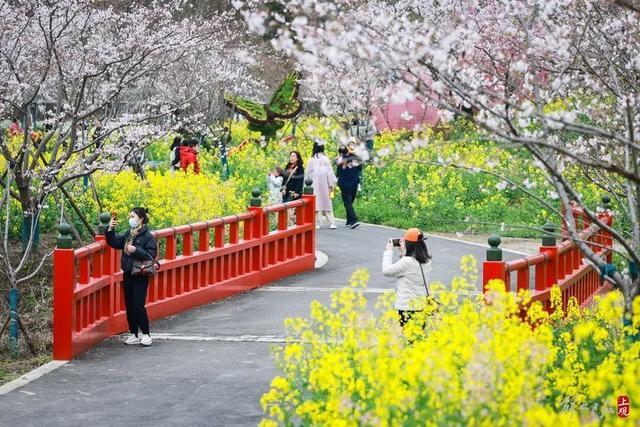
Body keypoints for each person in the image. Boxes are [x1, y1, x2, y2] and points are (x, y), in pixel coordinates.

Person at [106, 208, 158, 346]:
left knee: (138, 304)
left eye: (133, 216)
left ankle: (146, 334)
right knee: (129, 305)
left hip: (140, 274)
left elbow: (150, 255)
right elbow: (115, 243)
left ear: (141, 219)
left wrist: (136, 250)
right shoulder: (128, 234)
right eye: (130, 216)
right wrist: (110, 229)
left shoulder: (147, 237)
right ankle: (133, 333)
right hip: (128, 273)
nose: (130, 218)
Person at [382, 228, 433, 329]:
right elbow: (408, 270)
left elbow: (386, 271)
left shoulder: (407, 262)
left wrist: (388, 251)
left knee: (410, 339)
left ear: (408, 244)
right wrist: (403, 254)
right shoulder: (426, 260)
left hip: (407, 308)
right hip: (422, 306)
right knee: (418, 339)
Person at [306, 141, 338, 229]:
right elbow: (330, 172)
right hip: (325, 184)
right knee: (327, 203)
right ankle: (332, 223)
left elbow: (307, 174)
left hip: (313, 184)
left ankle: (317, 223)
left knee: (316, 204)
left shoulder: (311, 159)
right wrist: (331, 184)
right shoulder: (325, 159)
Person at [337, 145, 362, 229]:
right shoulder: (354, 157)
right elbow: (360, 168)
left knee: (348, 202)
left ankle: (352, 220)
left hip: (344, 184)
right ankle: (350, 220)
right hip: (354, 183)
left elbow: (338, 172)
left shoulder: (340, 159)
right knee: (349, 202)